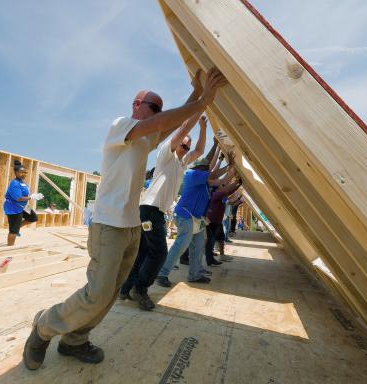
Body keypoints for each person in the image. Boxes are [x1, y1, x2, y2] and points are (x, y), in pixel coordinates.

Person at [22, 68, 227, 370]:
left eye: (158, 108)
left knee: (109, 295)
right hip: (108, 225)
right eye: (153, 106)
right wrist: (200, 100)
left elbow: (179, 126)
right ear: (136, 105)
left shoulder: (146, 140)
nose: (157, 113)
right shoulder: (121, 126)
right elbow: (164, 122)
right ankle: (44, 326)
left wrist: (199, 96)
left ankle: (75, 339)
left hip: (130, 226)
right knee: (97, 293)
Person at [119, 114, 208, 311]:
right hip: (150, 210)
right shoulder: (166, 155)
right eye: (183, 145)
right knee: (159, 253)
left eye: (187, 147)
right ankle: (140, 289)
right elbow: (182, 130)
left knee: (143, 252)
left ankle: (126, 289)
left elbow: (200, 150)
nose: (185, 149)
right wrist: (196, 112)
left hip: (154, 211)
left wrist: (203, 128)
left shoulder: (182, 163)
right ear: (176, 144)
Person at [156, 144, 233, 287]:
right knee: (180, 245)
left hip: (196, 219)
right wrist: (229, 168)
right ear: (200, 169)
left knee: (198, 246)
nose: (207, 170)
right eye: (205, 168)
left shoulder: (203, 181)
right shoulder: (192, 175)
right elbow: (215, 174)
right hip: (185, 216)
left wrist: (230, 169)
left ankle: (195, 274)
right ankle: (162, 273)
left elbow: (220, 179)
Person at [3, 160, 43, 246]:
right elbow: (18, 198)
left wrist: (33, 195)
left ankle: (17, 229)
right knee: (13, 230)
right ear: (16, 172)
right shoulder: (14, 183)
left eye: (25, 173)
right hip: (14, 208)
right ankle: (10, 247)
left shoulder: (22, 183)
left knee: (33, 217)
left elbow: (24, 194)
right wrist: (31, 197)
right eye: (22, 172)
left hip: (23, 206)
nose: (24, 174)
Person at [205, 176, 242, 264]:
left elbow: (229, 192)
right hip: (213, 220)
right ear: (218, 188)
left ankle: (220, 255)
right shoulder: (216, 194)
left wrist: (238, 184)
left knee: (220, 238)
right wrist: (237, 183)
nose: (223, 187)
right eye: (222, 186)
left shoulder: (218, 194)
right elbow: (227, 191)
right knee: (211, 240)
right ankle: (210, 258)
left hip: (217, 220)